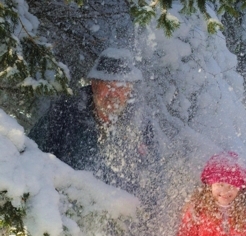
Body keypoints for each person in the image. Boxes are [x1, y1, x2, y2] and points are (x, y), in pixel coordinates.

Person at [29, 47, 160, 208]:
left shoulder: (141, 125)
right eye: (108, 85)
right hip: (66, 216)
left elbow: (153, 182)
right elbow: (31, 158)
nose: (114, 93)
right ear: (94, 83)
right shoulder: (63, 114)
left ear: (130, 89)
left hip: (119, 222)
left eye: (121, 87)